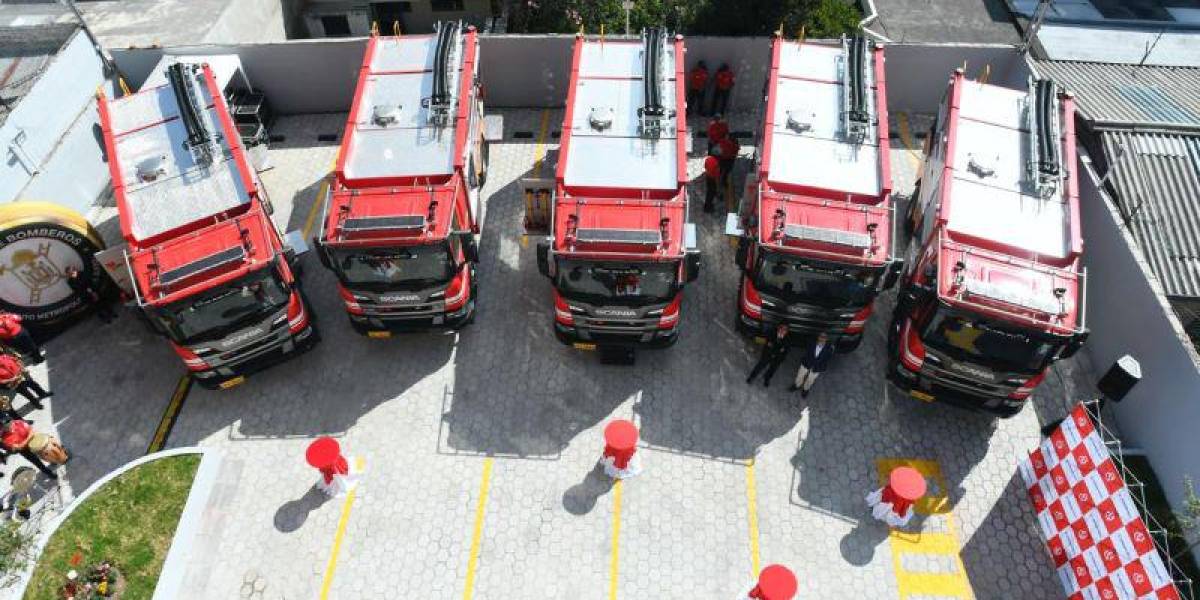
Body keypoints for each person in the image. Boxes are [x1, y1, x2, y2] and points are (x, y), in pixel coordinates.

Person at [790, 332, 835, 398]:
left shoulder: (829, 349)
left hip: (817, 367)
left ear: (827, 339)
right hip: (806, 363)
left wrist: (820, 367)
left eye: (824, 337)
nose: (822, 339)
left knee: (810, 380)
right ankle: (796, 385)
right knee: (800, 375)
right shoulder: (811, 343)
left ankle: (805, 390)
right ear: (818, 337)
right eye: (821, 336)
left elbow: (827, 359)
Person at [747, 323, 791, 387]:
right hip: (768, 354)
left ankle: (767, 378)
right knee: (760, 366)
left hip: (777, 358)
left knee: (772, 370)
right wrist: (755, 338)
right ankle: (752, 377)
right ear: (778, 327)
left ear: (787, 331)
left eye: (785, 329)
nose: (782, 330)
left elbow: (786, 350)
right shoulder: (772, 333)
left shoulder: (788, 339)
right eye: (781, 328)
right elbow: (764, 341)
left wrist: (781, 358)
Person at [703, 149, 722, 214]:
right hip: (712, 179)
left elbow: (705, 166)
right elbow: (717, 177)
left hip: (708, 177)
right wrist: (718, 187)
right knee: (711, 194)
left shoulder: (708, 159)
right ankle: (708, 207)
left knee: (709, 192)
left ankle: (707, 206)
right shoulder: (716, 164)